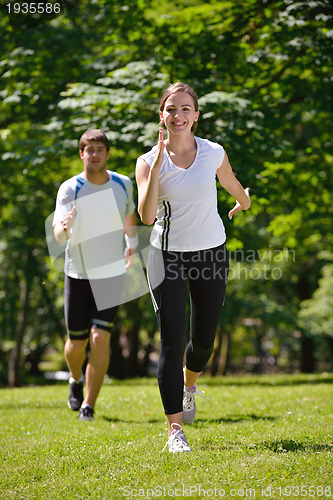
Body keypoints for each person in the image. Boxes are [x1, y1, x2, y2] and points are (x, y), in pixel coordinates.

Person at [136, 82, 251, 452]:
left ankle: (189, 386)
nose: (178, 115)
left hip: (211, 252)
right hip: (166, 255)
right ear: (162, 116)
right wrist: (156, 165)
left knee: (203, 340)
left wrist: (243, 202)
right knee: (171, 341)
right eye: (171, 109)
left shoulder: (213, 152)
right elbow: (146, 214)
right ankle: (174, 431)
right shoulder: (146, 161)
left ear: (196, 116)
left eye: (186, 109)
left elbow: (231, 182)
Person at [53, 129, 137, 421]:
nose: (95, 154)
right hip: (77, 273)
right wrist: (67, 227)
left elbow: (129, 216)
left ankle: (88, 405)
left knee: (100, 337)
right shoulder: (70, 188)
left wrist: (132, 245)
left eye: (100, 149)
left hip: (111, 272)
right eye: (90, 150)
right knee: (76, 343)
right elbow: (59, 236)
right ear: (82, 154)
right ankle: (74, 378)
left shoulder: (123, 184)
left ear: (107, 153)